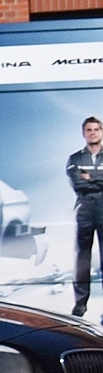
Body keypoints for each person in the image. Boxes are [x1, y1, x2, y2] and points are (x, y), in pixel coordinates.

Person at [75, 116, 103, 318]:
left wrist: (89, 177)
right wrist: (97, 180)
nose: (92, 133)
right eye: (88, 130)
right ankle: (80, 304)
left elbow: (87, 181)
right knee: (83, 258)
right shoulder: (75, 158)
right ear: (84, 133)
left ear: (101, 132)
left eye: (96, 129)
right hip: (85, 211)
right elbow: (78, 184)